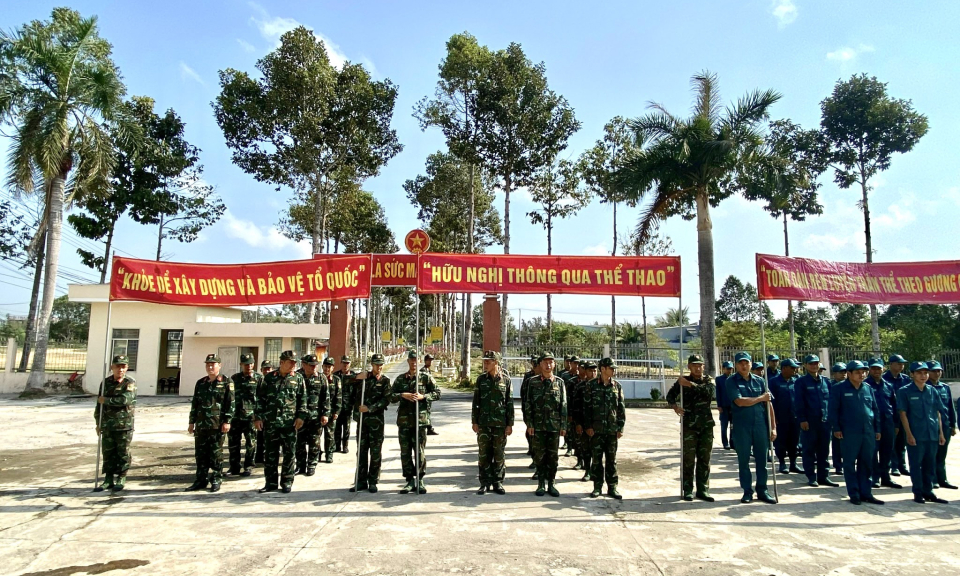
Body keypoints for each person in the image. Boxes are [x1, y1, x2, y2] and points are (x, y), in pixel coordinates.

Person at [828, 360, 884, 505]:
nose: (862, 375)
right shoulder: (839, 388)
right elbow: (833, 410)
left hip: (868, 431)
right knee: (849, 463)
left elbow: (875, 409)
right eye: (858, 372)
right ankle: (854, 493)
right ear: (849, 373)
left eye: (863, 372)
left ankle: (866, 492)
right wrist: (836, 428)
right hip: (849, 432)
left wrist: (877, 429)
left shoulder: (868, 388)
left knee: (866, 463)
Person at [726, 352, 777, 504]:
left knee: (762, 460)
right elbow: (740, 401)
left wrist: (773, 427)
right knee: (744, 461)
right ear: (736, 365)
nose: (744, 366)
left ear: (750, 363)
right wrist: (761, 398)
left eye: (746, 363)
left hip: (760, 425)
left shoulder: (760, 381)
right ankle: (747, 491)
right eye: (740, 363)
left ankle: (763, 490)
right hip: (742, 426)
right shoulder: (731, 381)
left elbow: (769, 404)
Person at [254, 350, 306, 494]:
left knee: (289, 454)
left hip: (289, 424)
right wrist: (258, 417)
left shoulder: (298, 378)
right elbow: (260, 399)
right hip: (271, 423)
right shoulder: (269, 378)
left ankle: (287, 482)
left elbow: (302, 399)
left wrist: (301, 417)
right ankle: (270, 483)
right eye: (290, 362)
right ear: (281, 362)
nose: (293, 365)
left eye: (295, 362)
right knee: (271, 454)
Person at [897, 361, 948, 504]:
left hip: (932, 434)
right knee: (916, 465)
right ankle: (918, 492)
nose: (923, 375)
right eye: (919, 373)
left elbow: (937, 413)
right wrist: (909, 434)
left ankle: (928, 491)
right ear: (912, 374)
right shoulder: (904, 391)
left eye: (925, 373)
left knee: (930, 465)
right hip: (916, 435)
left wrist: (941, 433)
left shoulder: (932, 391)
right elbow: (903, 414)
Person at [666, 354, 715, 502]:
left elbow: (709, 392)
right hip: (689, 426)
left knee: (704, 459)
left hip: (706, 425)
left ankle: (703, 489)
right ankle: (687, 489)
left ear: (703, 367)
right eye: (694, 365)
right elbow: (670, 396)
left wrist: (690, 385)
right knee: (688, 459)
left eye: (700, 365)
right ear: (689, 367)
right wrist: (675, 407)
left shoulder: (708, 380)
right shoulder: (682, 381)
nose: (697, 368)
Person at [392, 351, 441, 494]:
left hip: (420, 421)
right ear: (408, 361)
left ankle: (420, 479)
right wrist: (403, 395)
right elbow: (390, 396)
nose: (413, 362)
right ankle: (409, 480)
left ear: (419, 361)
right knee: (405, 452)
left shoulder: (425, 377)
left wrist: (423, 397)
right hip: (404, 421)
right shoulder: (400, 379)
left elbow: (437, 393)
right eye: (411, 360)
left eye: (415, 360)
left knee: (419, 451)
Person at [187, 354, 235, 493]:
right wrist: (191, 422)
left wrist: (227, 421)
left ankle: (216, 479)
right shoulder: (201, 383)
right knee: (200, 454)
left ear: (219, 365)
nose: (210, 367)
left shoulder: (227, 382)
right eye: (208, 364)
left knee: (215, 454)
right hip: (202, 425)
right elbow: (195, 403)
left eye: (213, 364)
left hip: (217, 425)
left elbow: (231, 403)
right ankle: (200, 480)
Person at [523, 352, 567, 497]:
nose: (548, 365)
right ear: (540, 364)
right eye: (545, 362)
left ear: (554, 364)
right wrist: (529, 424)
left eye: (551, 362)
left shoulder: (559, 382)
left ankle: (552, 483)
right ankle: (541, 484)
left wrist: (563, 425)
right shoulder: (532, 382)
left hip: (554, 427)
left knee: (553, 457)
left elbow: (563, 405)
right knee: (540, 456)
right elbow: (528, 404)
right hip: (538, 426)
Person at [583, 357, 626, 500]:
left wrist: (620, 427)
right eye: (611, 368)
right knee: (596, 460)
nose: (613, 371)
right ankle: (597, 486)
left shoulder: (617, 386)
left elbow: (621, 408)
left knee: (611, 460)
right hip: (596, 430)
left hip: (612, 430)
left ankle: (612, 487)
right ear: (603, 369)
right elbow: (586, 408)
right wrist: (588, 426)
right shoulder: (591, 385)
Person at [472, 350, 513, 495]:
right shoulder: (481, 380)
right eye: (485, 361)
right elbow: (476, 401)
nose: (485, 364)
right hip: (484, 423)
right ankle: (484, 482)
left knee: (499, 454)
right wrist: (474, 421)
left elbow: (509, 403)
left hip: (500, 425)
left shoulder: (506, 380)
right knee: (484, 454)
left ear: (496, 362)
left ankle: (498, 482)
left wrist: (510, 424)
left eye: (488, 361)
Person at [794, 355, 839, 488]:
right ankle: (811, 476)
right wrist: (802, 419)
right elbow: (799, 402)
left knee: (824, 450)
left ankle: (823, 476)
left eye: (816, 363)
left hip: (824, 421)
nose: (814, 366)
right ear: (806, 366)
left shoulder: (826, 381)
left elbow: (831, 401)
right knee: (809, 450)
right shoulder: (801, 382)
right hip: (810, 421)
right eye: (811, 364)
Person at [93, 355, 137, 492]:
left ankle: (121, 477)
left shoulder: (129, 383)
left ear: (127, 368)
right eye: (118, 366)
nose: (120, 370)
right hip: (107, 424)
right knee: (108, 452)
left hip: (124, 425)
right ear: (112, 367)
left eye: (123, 367)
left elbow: (125, 400)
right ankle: (108, 478)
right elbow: (99, 404)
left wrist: (106, 400)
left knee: (123, 452)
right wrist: (98, 422)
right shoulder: (105, 383)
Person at [351, 353, 393, 493]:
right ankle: (361, 481)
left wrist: (370, 408)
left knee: (375, 453)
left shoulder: (385, 381)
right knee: (361, 452)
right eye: (376, 364)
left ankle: (373, 481)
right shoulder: (364, 378)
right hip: (362, 421)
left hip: (376, 422)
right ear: (372, 364)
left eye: (381, 364)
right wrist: (357, 377)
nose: (379, 367)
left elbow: (386, 400)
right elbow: (344, 381)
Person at [865, 358, 901, 489]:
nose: (876, 371)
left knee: (887, 451)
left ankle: (886, 477)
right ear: (869, 370)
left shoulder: (888, 385)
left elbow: (894, 405)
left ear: (883, 369)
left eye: (879, 368)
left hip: (888, 423)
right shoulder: (865, 385)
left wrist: (896, 424)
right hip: (873, 423)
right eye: (873, 368)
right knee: (873, 451)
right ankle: (875, 477)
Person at [295, 354, 330, 476]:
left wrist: (325, 414)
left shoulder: (321, 378)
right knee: (299, 443)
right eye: (311, 365)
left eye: (315, 365)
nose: (314, 367)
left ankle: (311, 465)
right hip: (300, 417)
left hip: (315, 417)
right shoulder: (297, 377)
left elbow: (326, 397)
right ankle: (300, 466)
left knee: (314, 443)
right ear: (304, 365)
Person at [228, 353, 262, 477]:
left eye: (251, 364)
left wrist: (258, 416)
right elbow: (230, 397)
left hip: (250, 417)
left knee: (250, 443)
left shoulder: (259, 378)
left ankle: (248, 466)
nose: (249, 366)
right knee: (233, 444)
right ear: (241, 364)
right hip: (236, 416)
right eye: (246, 364)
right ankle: (234, 467)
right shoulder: (235, 378)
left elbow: (261, 398)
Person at [769, 358, 802, 475]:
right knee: (781, 441)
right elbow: (771, 402)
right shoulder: (774, 382)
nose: (794, 370)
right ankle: (782, 463)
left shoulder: (796, 381)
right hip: (781, 418)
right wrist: (774, 418)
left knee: (794, 441)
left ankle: (793, 463)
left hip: (795, 417)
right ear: (784, 368)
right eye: (792, 368)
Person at [928, 361, 957, 489]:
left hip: (945, 425)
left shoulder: (944, 387)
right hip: (931, 425)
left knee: (942, 454)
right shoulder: (924, 387)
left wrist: (953, 424)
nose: (937, 373)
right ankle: (932, 479)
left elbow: (950, 407)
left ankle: (942, 479)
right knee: (932, 454)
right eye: (934, 371)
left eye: (939, 371)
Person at [883, 354, 912, 477]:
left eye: (902, 364)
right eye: (898, 364)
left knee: (902, 442)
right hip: (891, 414)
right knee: (892, 442)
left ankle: (902, 465)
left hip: (904, 415)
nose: (901, 366)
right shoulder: (884, 379)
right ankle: (893, 466)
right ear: (891, 364)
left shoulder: (905, 379)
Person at [573, 360, 598, 480]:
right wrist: (578, 423)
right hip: (584, 423)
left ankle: (595, 471)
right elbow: (576, 406)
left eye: (594, 371)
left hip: (598, 423)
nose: (593, 373)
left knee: (597, 450)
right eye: (590, 371)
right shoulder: (580, 387)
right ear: (585, 371)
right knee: (586, 448)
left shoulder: (600, 385)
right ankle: (587, 470)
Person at [519, 354, 541, 468]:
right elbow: (524, 394)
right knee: (531, 434)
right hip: (531, 412)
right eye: (535, 365)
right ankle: (533, 455)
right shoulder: (529, 377)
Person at [333, 356, 357, 453]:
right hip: (337, 406)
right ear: (341, 363)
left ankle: (345, 446)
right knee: (337, 427)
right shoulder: (336, 375)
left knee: (346, 427)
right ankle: (337, 446)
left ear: (350, 364)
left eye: (347, 363)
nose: (345, 365)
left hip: (348, 406)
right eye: (344, 363)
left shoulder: (354, 376)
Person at [320, 356, 342, 463]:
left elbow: (339, 396)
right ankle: (317, 454)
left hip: (331, 412)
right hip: (319, 412)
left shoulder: (336, 380)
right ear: (322, 366)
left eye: (329, 367)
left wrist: (337, 411)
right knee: (316, 436)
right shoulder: (318, 378)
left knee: (329, 435)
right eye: (325, 366)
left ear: (333, 368)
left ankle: (329, 455)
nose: (327, 369)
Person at [828, 362, 847, 475]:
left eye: (844, 372)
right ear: (834, 374)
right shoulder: (830, 385)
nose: (843, 374)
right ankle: (838, 465)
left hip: (847, 418)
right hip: (836, 417)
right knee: (837, 444)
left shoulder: (849, 385)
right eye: (840, 372)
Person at [255, 360, 272, 464]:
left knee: (270, 438)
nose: (267, 371)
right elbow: (257, 398)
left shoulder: (274, 380)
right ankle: (259, 457)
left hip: (271, 414)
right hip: (261, 413)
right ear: (261, 370)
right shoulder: (259, 381)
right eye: (265, 369)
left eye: (268, 369)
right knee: (260, 436)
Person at [716, 361, 734, 450]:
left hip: (733, 405)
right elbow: (718, 392)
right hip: (724, 405)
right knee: (724, 426)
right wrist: (719, 405)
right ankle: (725, 442)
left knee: (733, 426)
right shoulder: (719, 379)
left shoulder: (734, 378)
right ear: (723, 368)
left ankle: (732, 442)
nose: (729, 370)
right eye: (727, 369)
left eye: (731, 369)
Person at [422, 353, 440, 436]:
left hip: (428, 394)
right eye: (428, 360)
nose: (430, 362)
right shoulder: (423, 371)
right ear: (425, 361)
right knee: (425, 412)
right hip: (424, 394)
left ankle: (429, 428)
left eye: (431, 360)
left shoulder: (428, 370)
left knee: (427, 411)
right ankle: (428, 428)